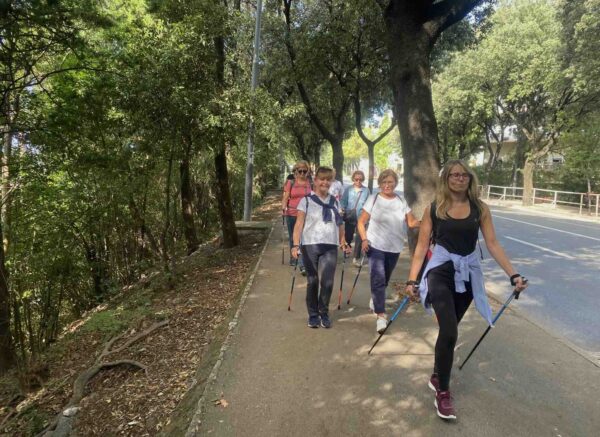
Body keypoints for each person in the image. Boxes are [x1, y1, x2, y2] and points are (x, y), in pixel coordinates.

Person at [404, 159, 528, 421]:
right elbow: (421, 246)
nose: (459, 179)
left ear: (470, 179)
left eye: (464, 175)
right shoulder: (434, 208)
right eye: (454, 175)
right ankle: (443, 393)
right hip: (440, 271)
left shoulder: (480, 208)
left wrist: (513, 274)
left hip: (468, 274)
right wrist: (412, 280)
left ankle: (437, 375)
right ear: (446, 178)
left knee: (448, 332)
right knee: (450, 330)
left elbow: (492, 244)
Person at [357, 169, 419, 334]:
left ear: (395, 183)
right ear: (379, 184)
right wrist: (364, 239)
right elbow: (361, 222)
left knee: (384, 279)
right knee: (378, 278)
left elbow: (411, 222)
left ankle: (375, 299)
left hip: (394, 247)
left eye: (390, 182)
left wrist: (429, 222)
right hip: (375, 245)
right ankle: (381, 315)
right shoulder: (374, 199)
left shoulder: (400, 200)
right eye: (384, 182)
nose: (387, 185)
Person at [292, 166, 352, 328]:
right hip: (310, 245)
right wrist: (295, 245)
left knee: (328, 282)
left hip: (330, 245)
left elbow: (340, 224)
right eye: (322, 179)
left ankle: (323, 312)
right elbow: (298, 225)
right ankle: (313, 315)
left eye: (328, 179)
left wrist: (343, 241)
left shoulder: (335, 201)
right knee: (312, 281)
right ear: (315, 180)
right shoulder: (306, 201)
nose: (325, 182)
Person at [281, 161, 312, 274]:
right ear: (296, 171)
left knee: (303, 237)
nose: (302, 173)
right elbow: (286, 197)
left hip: (306, 214)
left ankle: (302, 263)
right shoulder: (291, 182)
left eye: (305, 171)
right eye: (300, 171)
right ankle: (294, 258)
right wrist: (283, 207)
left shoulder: (310, 183)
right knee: (293, 237)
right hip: (292, 213)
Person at [340, 170, 370, 267]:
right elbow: (343, 201)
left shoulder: (366, 190)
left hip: (362, 217)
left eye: (360, 179)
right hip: (350, 216)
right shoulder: (348, 189)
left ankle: (356, 257)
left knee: (360, 237)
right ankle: (347, 249)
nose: (358, 181)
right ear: (353, 179)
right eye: (356, 179)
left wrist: (369, 215)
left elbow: (369, 204)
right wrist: (342, 209)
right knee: (348, 235)